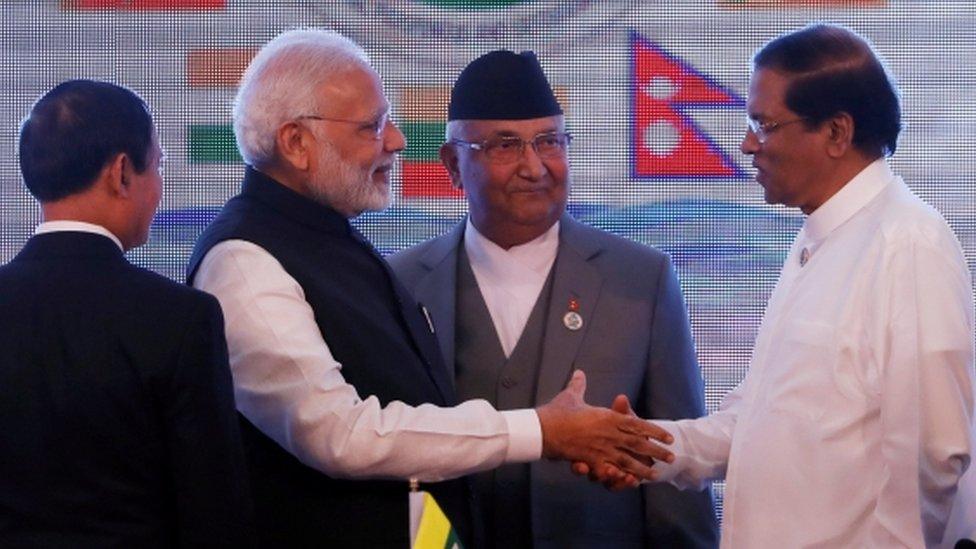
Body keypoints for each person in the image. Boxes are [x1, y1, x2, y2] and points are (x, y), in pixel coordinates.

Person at [186, 29, 674, 548]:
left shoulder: (331, 241)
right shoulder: (245, 261)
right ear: (296, 143)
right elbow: (338, 435)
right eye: (372, 126)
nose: (396, 140)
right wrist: (541, 430)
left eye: (551, 140)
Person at [631, 24, 974, 547]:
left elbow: (935, 452)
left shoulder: (907, 245)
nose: (747, 144)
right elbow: (763, 421)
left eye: (764, 124)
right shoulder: (821, 236)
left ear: (836, 132)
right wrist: (651, 447)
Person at [388, 50, 718, 548]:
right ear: (454, 164)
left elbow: (675, 467)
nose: (534, 166)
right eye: (505, 145)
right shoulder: (400, 283)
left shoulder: (640, 279)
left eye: (550, 142)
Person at [0, 80, 253, 547]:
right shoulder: (179, 319)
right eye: (157, 165)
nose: (158, 188)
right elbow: (215, 511)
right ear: (120, 173)